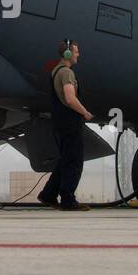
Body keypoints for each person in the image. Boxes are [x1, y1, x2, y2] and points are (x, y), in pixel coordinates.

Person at [36, 39, 94, 211]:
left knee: (65, 160)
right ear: (68, 54)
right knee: (74, 162)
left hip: (60, 121)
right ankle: (68, 200)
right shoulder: (67, 73)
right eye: (76, 52)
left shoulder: (55, 71)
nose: (78, 55)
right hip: (70, 122)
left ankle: (48, 194)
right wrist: (85, 112)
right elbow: (70, 98)